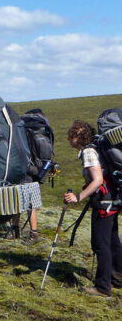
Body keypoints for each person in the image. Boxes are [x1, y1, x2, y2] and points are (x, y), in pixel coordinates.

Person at [64, 120, 122, 299]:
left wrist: (79, 196)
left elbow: (97, 180)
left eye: (72, 136)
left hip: (103, 204)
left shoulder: (88, 152)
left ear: (78, 137)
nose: (69, 139)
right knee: (112, 242)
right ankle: (118, 278)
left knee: (100, 244)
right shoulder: (97, 148)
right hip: (112, 201)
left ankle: (103, 288)